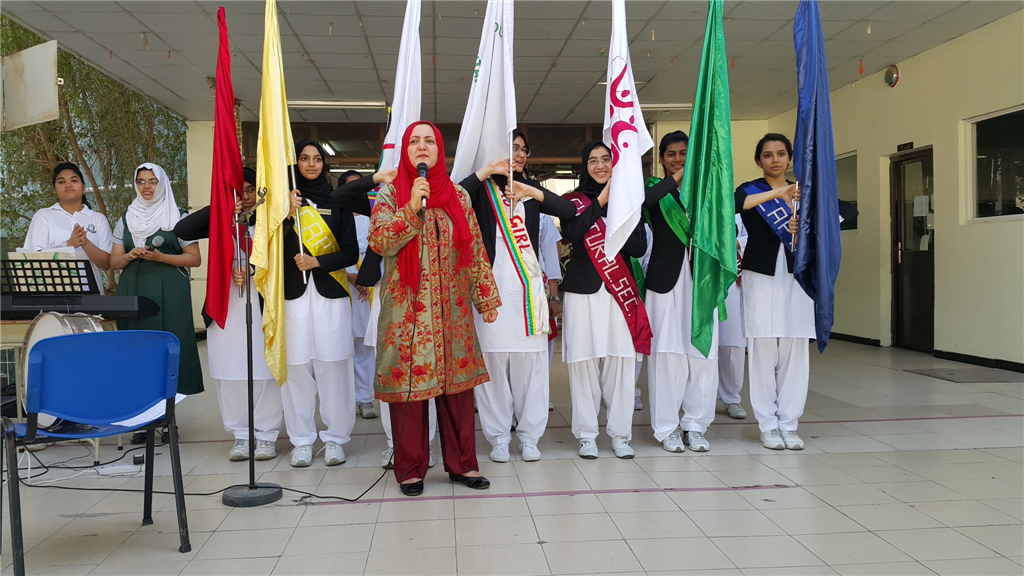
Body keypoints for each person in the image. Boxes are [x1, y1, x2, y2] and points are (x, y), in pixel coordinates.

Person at [368, 121, 500, 496]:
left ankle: (463, 465)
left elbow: (474, 248)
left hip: (453, 311)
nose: (422, 147)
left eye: (429, 141)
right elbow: (379, 242)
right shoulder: (390, 195)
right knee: (409, 393)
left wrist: (485, 297)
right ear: (405, 150)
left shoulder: (459, 196)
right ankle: (410, 469)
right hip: (407, 314)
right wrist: (412, 207)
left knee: (457, 393)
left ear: (440, 150)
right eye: (414, 141)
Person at [458, 129, 577, 463]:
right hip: (491, 289)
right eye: (514, 148)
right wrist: (485, 171)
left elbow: (568, 211)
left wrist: (532, 192)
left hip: (527, 290)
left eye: (524, 149)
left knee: (530, 367)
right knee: (493, 364)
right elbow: (452, 198)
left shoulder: (530, 189)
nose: (521, 154)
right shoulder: (482, 190)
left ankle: (529, 436)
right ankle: (498, 437)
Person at [332, 166, 441, 470]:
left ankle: (425, 445)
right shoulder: (384, 198)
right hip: (389, 294)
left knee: (427, 374)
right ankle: (396, 445)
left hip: (427, 294)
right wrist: (376, 180)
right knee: (391, 373)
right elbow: (338, 197)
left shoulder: (436, 195)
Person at [173, 168, 283, 461]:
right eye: (238, 191)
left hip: (262, 303)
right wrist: (222, 208)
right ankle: (241, 435)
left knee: (264, 371)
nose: (245, 196)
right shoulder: (222, 220)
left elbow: (282, 261)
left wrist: (253, 269)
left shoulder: (272, 220)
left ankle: (266, 434)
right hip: (225, 304)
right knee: (229, 370)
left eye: (250, 190)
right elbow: (182, 229)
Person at [560, 140, 649, 460]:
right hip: (582, 291)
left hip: (618, 292)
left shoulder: (630, 200)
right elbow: (574, 234)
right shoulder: (572, 200)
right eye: (593, 160)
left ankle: (621, 434)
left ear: (615, 163)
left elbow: (639, 247)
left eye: (606, 159)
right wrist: (601, 201)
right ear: (585, 166)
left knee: (621, 361)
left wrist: (619, 212)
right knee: (583, 361)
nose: (600, 165)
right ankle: (586, 435)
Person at [279, 140, 359, 467]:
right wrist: (285, 215)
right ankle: (301, 440)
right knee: (296, 368)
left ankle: (336, 438)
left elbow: (350, 252)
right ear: (295, 164)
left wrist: (318, 262)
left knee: (334, 365)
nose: (311, 164)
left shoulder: (338, 202)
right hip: (292, 297)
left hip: (331, 295)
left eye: (317, 159)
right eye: (304, 158)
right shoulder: (282, 205)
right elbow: (266, 252)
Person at [110, 163, 203, 444]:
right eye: (141, 181)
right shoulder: (127, 217)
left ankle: (168, 419)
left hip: (170, 290)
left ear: (162, 184)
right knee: (137, 351)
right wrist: (129, 256)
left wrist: (160, 257)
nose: (146, 187)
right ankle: (141, 420)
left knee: (168, 351)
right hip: (133, 290)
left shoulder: (178, 217)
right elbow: (114, 261)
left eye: (152, 181)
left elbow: (194, 259)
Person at [642, 131, 722, 453]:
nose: (678, 158)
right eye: (671, 154)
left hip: (703, 281)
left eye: (684, 153)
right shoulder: (654, 188)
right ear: (662, 159)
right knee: (666, 355)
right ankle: (667, 427)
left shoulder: (708, 189)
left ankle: (695, 425)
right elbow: (644, 203)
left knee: (702, 354)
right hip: (665, 281)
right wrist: (677, 178)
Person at [735, 133, 811, 450]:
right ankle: (768, 425)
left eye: (781, 154)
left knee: (795, 351)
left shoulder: (805, 192)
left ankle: (789, 425)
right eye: (768, 155)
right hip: (761, 276)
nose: (775, 159)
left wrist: (803, 226)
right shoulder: (750, 190)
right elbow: (735, 204)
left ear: (789, 158)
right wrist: (781, 193)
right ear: (759, 161)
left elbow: (844, 213)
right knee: (763, 351)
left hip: (797, 277)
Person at [23, 163, 112, 290]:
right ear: (55, 189)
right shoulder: (43, 216)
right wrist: (69, 244)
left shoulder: (98, 219)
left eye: (74, 180)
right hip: (52, 294)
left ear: (84, 186)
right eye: (61, 182)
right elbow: (32, 259)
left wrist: (84, 242)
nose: (68, 185)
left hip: (90, 295)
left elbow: (106, 263)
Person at [337, 170, 379, 421]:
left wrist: (365, 279)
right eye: (350, 186)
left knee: (364, 345)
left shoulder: (373, 216)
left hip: (367, 288)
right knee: (341, 346)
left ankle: (364, 399)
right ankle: (343, 400)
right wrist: (349, 277)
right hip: (340, 285)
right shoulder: (336, 215)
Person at [718, 215, 748, 420]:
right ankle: (698, 399)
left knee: (733, 343)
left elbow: (754, 236)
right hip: (705, 275)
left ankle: (731, 398)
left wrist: (733, 243)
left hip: (734, 278)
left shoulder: (742, 210)